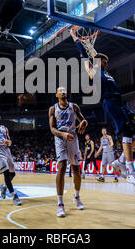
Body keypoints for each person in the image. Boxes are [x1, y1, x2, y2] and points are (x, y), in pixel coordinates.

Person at [71, 28, 135, 188]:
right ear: (99, 63)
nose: (107, 63)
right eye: (104, 61)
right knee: (126, 132)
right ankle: (131, 173)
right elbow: (86, 57)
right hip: (110, 103)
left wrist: (91, 47)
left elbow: (94, 53)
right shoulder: (93, 71)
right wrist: (76, 40)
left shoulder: (106, 73)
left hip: (120, 103)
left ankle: (120, 162)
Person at [49, 86, 88, 217]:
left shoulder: (74, 106)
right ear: (56, 95)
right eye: (60, 91)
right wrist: (63, 134)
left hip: (73, 138)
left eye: (64, 90)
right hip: (60, 138)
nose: (63, 92)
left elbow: (83, 120)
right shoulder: (53, 109)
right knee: (62, 166)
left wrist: (84, 123)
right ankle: (60, 204)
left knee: (76, 169)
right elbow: (53, 129)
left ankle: (77, 196)